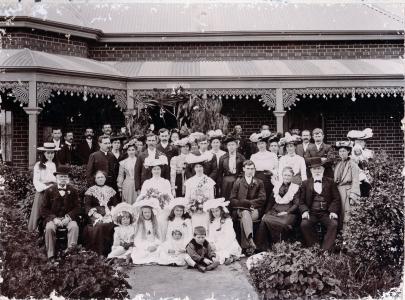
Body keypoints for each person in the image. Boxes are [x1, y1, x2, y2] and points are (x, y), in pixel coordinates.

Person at [299, 157, 341, 251]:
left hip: (325, 213)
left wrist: (333, 211)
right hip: (312, 213)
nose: (317, 171)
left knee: (333, 224)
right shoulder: (305, 183)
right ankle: (315, 247)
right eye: (314, 169)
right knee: (304, 224)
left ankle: (326, 249)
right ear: (311, 170)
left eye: (319, 169)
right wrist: (305, 211)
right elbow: (301, 201)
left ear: (323, 169)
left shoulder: (330, 182)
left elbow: (336, 198)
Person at [40, 165, 80, 260]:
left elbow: (78, 207)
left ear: (68, 178)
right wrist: (54, 218)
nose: (63, 178)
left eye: (65, 176)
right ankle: (51, 255)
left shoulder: (73, 191)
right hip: (53, 219)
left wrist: (69, 217)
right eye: (61, 176)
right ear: (56, 177)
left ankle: (71, 254)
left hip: (68, 218)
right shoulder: (49, 190)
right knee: (49, 228)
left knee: (74, 227)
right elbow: (43, 209)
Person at [256, 167, 300, 251]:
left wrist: (287, 212)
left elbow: (296, 204)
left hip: (289, 211)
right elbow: (270, 202)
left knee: (283, 223)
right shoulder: (277, 186)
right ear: (282, 175)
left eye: (289, 175)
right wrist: (265, 213)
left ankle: (281, 247)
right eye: (285, 175)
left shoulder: (295, 188)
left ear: (292, 176)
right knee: (264, 220)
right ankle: (264, 247)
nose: (287, 177)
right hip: (275, 210)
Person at [229, 160, 266, 256]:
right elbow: (232, 199)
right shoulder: (238, 182)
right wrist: (243, 204)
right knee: (245, 213)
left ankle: (247, 246)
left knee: (244, 218)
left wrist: (250, 204)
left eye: (252, 169)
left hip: (254, 210)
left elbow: (262, 198)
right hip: (240, 210)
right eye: (248, 169)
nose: (250, 171)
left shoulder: (259, 182)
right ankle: (250, 240)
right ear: (244, 169)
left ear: (254, 170)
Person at [83, 171, 121, 256]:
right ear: (95, 179)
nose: (100, 179)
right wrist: (95, 214)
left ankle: (113, 252)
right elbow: (87, 206)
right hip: (95, 214)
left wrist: (112, 212)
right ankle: (99, 253)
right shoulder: (90, 190)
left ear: (105, 178)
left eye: (102, 177)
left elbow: (116, 204)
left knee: (114, 224)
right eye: (98, 177)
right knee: (100, 225)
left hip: (109, 212)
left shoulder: (111, 190)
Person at [28, 142, 58, 232]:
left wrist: (55, 186)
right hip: (43, 191)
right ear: (44, 153)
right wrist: (45, 187)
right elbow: (36, 180)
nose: (50, 155)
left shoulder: (56, 164)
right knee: (40, 210)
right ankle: (37, 230)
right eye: (48, 153)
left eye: (52, 153)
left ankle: (50, 229)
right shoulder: (39, 165)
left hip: (54, 190)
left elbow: (59, 178)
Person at [204, 198, 242, 265]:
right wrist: (212, 243)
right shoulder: (212, 222)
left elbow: (230, 236)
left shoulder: (227, 220)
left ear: (221, 210)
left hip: (227, 241)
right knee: (209, 250)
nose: (215, 213)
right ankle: (225, 258)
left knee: (226, 250)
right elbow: (211, 235)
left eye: (217, 211)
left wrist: (218, 245)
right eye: (213, 211)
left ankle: (230, 257)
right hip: (216, 241)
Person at [184, 155, 216, 231]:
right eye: (197, 167)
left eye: (200, 166)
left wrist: (206, 207)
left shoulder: (208, 180)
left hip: (205, 210)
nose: (199, 169)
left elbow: (212, 197)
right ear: (194, 168)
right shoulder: (190, 181)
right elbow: (187, 197)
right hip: (194, 210)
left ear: (203, 168)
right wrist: (190, 207)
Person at [334, 141, 360, 230]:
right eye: (340, 151)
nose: (342, 153)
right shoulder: (338, 164)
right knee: (340, 213)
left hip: (348, 191)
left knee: (348, 214)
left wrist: (353, 195)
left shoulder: (353, 164)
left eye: (344, 151)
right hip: (339, 191)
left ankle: (348, 237)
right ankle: (341, 236)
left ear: (348, 151)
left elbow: (356, 180)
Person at [249, 130, 278, 203]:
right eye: (259, 144)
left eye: (262, 143)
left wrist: (272, 172)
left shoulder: (272, 155)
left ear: (266, 144)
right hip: (257, 178)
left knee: (268, 196)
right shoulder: (254, 156)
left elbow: (277, 168)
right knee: (259, 196)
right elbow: (251, 170)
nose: (261, 145)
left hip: (269, 178)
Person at [131, 198, 162, 265]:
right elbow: (137, 239)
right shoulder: (139, 224)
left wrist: (155, 245)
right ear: (142, 213)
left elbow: (159, 237)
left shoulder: (155, 223)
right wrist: (147, 247)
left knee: (161, 249)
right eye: (145, 212)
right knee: (139, 252)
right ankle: (149, 259)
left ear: (152, 213)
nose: (147, 214)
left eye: (149, 212)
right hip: (144, 245)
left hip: (153, 244)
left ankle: (152, 258)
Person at [347, 128, 374, 197]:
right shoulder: (351, 156)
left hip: (367, 177)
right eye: (358, 141)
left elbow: (371, 166)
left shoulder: (368, 153)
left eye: (362, 141)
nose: (360, 143)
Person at [217, 135, 245, 199]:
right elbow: (220, 172)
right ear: (227, 147)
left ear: (236, 146)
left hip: (238, 179)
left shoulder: (241, 157)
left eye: (233, 145)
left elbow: (244, 170)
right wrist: (220, 184)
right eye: (229, 145)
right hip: (226, 180)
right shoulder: (223, 158)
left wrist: (240, 179)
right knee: (226, 197)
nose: (231, 147)